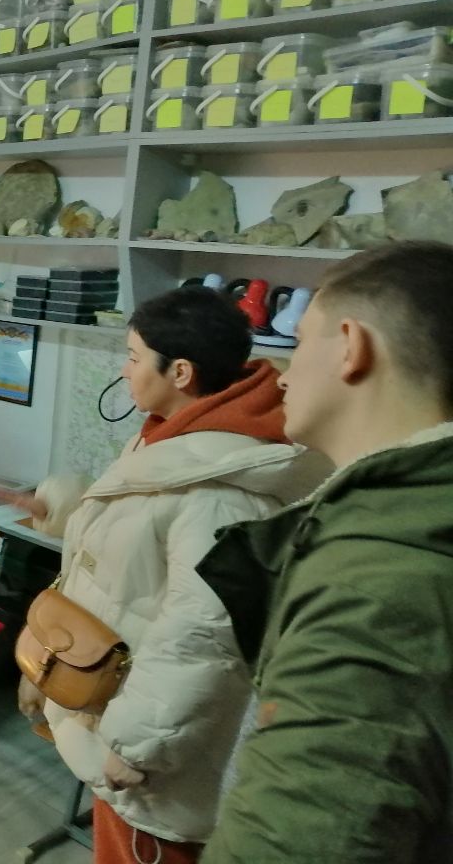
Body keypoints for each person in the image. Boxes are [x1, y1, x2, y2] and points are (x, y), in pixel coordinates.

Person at [6, 287, 327, 864]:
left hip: (150, 758)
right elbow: (146, 530)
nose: (123, 370)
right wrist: (65, 509)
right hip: (114, 711)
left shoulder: (225, 491)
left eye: (133, 357)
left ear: (180, 372)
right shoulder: (172, 435)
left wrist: (137, 748)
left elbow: (204, 636)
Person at [198, 241, 453, 863]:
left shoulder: (379, 579)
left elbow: (298, 841)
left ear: (350, 346)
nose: (282, 374)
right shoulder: (413, 520)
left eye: (300, 340)